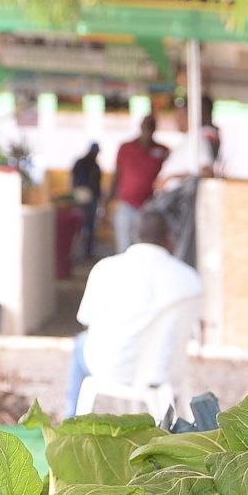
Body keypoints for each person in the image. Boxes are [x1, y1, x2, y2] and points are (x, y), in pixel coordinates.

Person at [65, 209, 204, 416]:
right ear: (168, 238)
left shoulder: (107, 269)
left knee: (80, 342)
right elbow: (195, 326)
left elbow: (86, 320)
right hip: (164, 370)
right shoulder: (189, 278)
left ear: (136, 235)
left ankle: (70, 421)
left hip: (110, 366)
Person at [108, 114, 170, 256]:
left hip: (149, 207)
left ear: (155, 128)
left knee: (145, 248)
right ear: (141, 127)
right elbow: (116, 174)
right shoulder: (126, 148)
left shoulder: (163, 150)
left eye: (151, 125)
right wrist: (108, 198)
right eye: (145, 125)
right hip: (126, 205)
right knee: (123, 247)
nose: (147, 129)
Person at [70, 143, 104, 262]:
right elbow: (74, 179)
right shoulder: (83, 163)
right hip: (82, 198)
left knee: (87, 226)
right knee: (80, 225)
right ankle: (77, 253)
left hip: (89, 199)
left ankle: (86, 252)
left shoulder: (94, 165)